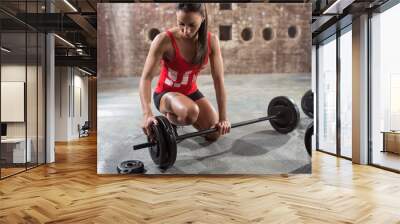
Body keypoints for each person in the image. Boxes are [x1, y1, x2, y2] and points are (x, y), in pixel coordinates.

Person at [139, 3, 230, 142]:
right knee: (190, 112)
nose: (186, 30)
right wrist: (147, 113)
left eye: (192, 25)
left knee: (214, 132)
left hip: (190, 92)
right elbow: (146, 78)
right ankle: (171, 119)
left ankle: (176, 118)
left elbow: (218, 80)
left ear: (203, 18)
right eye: (181, 24)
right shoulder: (163, 40)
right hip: (166, 94)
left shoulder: (211, 41)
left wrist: (223, 119)